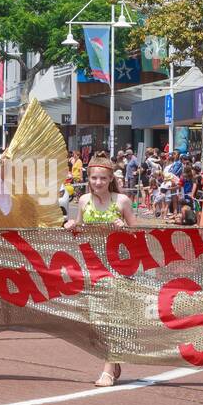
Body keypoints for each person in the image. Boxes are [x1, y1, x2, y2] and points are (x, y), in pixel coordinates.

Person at [64, 156, 136, 387]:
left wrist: (124, 229)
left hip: (118, 267)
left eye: (103, 178)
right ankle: (113, 362)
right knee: (95, 319)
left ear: (110, 179)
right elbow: (81, 233)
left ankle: (106, 370)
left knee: (110, 318)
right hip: (92, 267)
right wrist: (73, 227)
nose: (98, 182)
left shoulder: (122, 201)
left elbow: (139, 235)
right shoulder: (84, 201)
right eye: (94, 178)